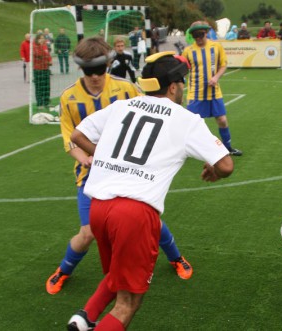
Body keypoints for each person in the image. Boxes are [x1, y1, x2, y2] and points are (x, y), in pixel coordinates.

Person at [66, 50, 234, 330]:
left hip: (98, 208)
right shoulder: (186, 119)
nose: (184, 87)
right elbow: (226, 164)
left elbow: (77, 135)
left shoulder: (122, 106)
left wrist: (107, 157)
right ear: (173, 86)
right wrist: (214, 171)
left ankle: (84, 319)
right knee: (128, 303)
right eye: (183, 82)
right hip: (134, 213)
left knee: (116, 277)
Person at [46, 38, 194, 296]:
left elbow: (154, 112)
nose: (94, 76)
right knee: (88, 231)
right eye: (88, 71)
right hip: (89, 175)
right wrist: (85, 158)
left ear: (109, 64)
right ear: (81, 69)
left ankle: (176, 257)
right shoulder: (69, 97)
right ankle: (63, 270)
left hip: (129, 172)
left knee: (150, 221)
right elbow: (70, 139)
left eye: (100, 69)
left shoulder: (126, 89)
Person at [183, 21, 242, 156]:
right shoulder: (188, 51)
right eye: (195, 35)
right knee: (191, 124)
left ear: (206, 33)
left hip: (214, 92)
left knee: (222, 119)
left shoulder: (216, 47)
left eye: (200, 35)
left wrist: (216, 77)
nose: (198, 38)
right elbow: (182, 70)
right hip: (195, 94)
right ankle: (187, 150)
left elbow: (223, 65)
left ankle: (227, 148)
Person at [32, 33, 52, 110]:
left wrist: (50, 60)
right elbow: (39, 54)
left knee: (47, 87)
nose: (42, 39)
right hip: (38, 70)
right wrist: (40, 46)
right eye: (40, 38)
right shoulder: (35, 46)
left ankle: (46, 102)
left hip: (46, 69)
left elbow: (48, 55)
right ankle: (40, 103)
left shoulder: (45, 45)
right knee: (39, 87)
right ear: (37, 39)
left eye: (43, 38)